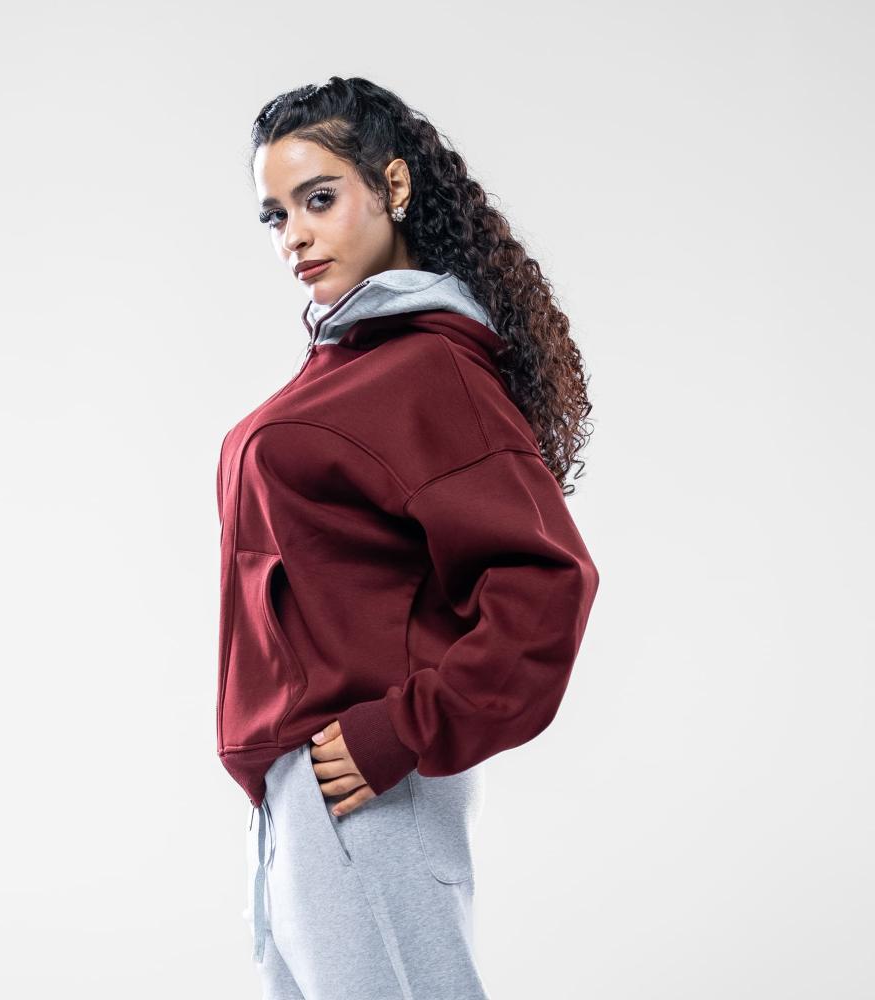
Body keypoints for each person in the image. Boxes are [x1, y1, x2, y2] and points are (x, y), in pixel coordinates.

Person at [216, 75, 600, 999]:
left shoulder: (427, 368)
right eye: (275, 215)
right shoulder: (352, 362)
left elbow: (548, 582)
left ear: (392, 186)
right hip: (305, 799)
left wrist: (404, 728)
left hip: (369, 793)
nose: (293, 235)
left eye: (318, 199)